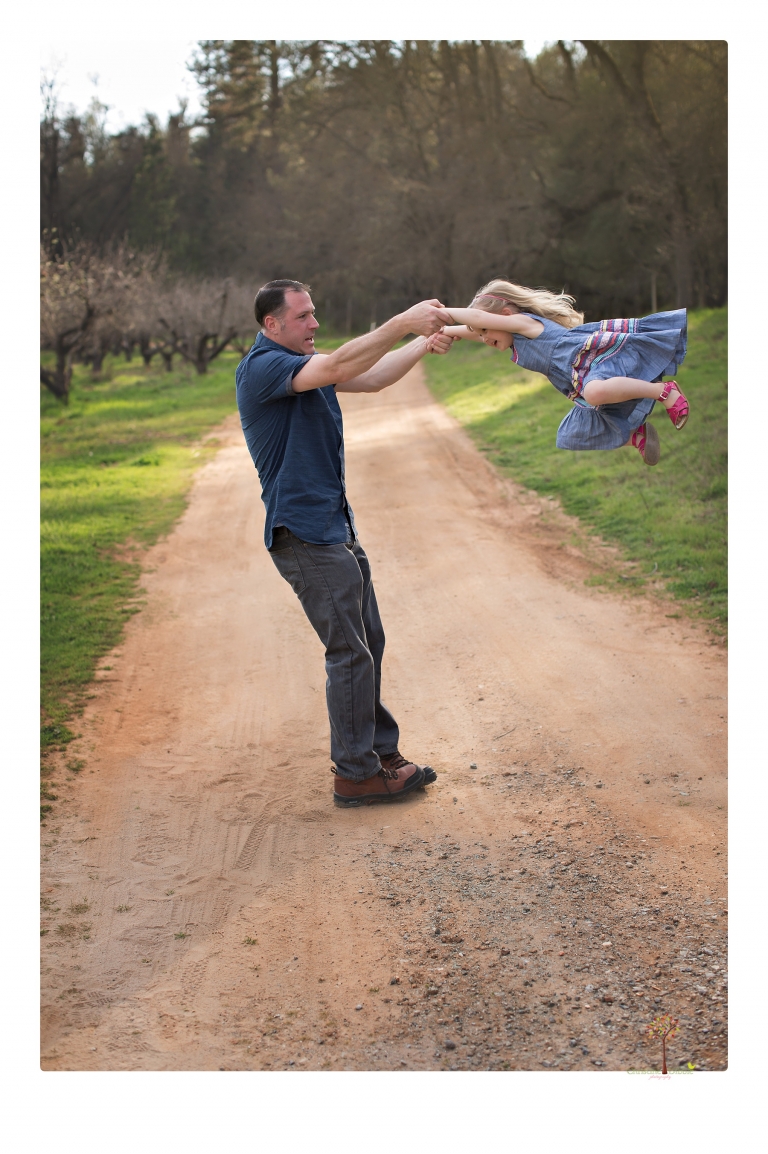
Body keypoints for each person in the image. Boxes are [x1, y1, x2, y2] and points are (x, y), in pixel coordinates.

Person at [236, 279, 454, 807]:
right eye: (304, 316)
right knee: (349, 652)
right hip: (303, 533)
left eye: (315, 313)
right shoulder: (264, 368)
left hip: (334, 527)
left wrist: (423, 342)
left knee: (368, 644)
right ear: (272, 325)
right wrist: (403, 320)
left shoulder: (303, 366)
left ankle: (378, 755)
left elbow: (372, 375)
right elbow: (338, 367)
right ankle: (355, 773)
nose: (315, 324)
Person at [440, 278, 689, 466]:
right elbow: (473, 327)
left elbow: (475, 319)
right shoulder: (513, 340)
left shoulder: (525, 323)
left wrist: (441, 314)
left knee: (594, 392)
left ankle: (664, 392)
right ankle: (637, 436)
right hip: (577, 379)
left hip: (591, 360)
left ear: (504, 315)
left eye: (485, 330)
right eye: (480, 333)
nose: (482, 338)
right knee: (570, 435)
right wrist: (443, 332)